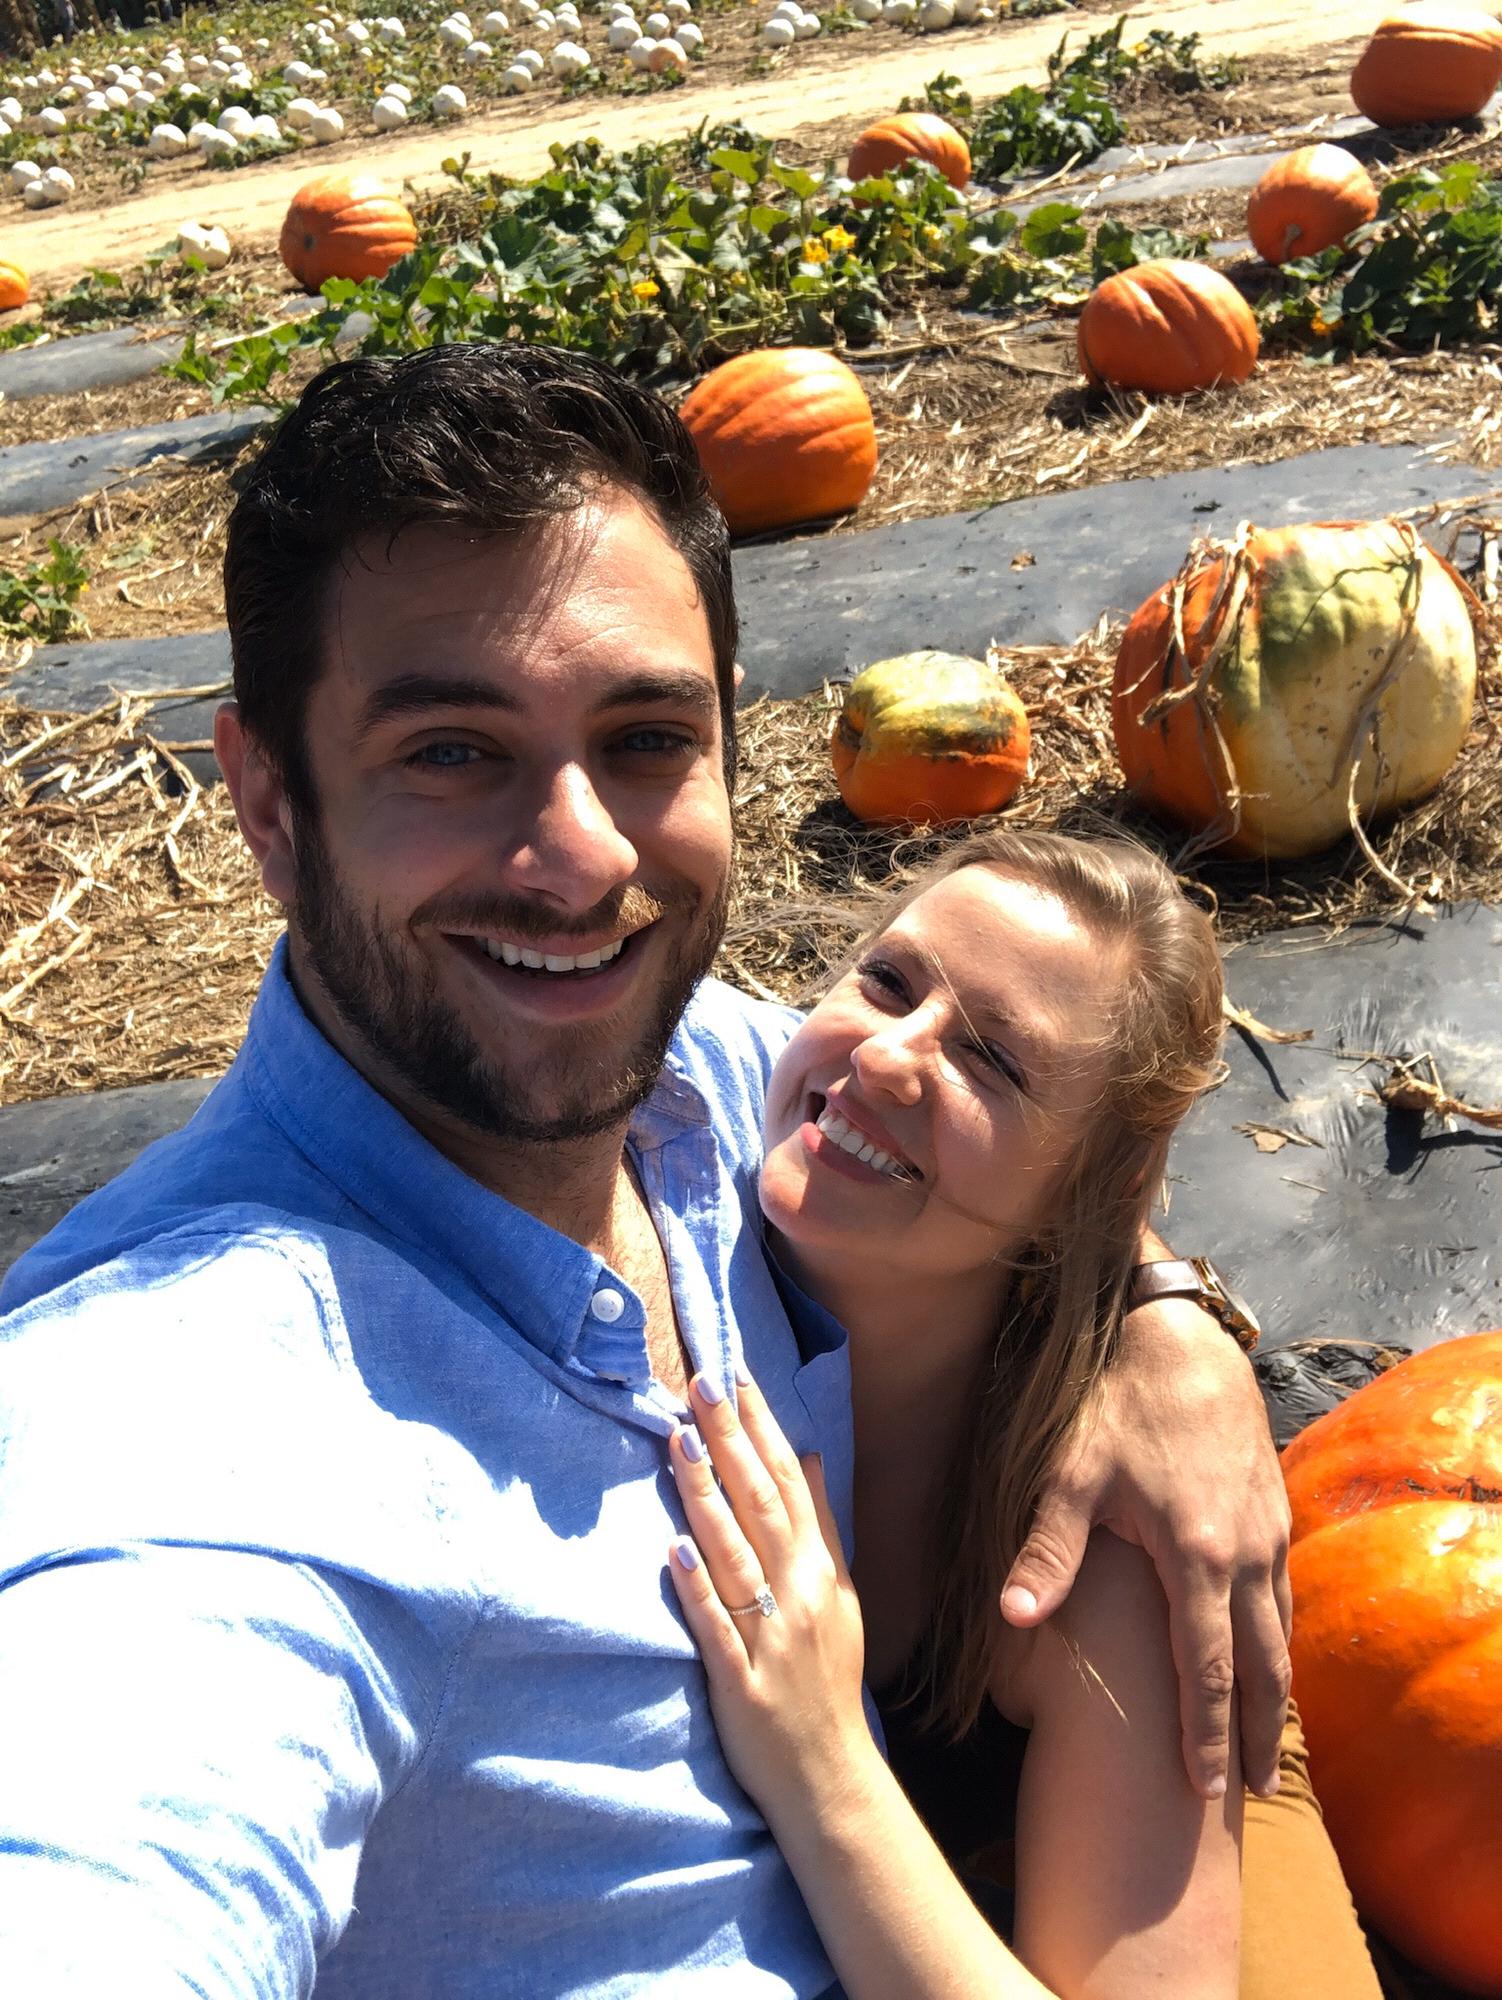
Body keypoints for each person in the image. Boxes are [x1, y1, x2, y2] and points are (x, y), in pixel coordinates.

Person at [0, 343, 1289, 1996]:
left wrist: (1169, 1327)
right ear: (265, 798)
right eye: (451, 751)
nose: (584, 859)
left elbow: (1064, 1124)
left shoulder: (701, 1085)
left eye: (643, 738)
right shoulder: (193, 1411)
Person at [666, 829, 1385, 1998]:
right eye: (888, 980)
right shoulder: (662, 1190)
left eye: (991, 1061)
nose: (889, 1058)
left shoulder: (1105, 1525)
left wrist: (823, 1761)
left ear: (1078, 1198)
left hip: (1130, 1805)